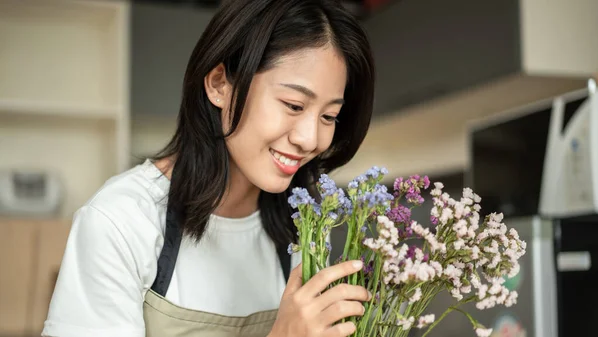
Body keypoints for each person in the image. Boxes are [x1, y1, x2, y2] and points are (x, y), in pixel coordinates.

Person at [42, 0, 375, 336]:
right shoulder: (121, 220)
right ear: (219, 84)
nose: (309, 138)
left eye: (328, 116)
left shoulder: (302, 232)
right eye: (293, 105)